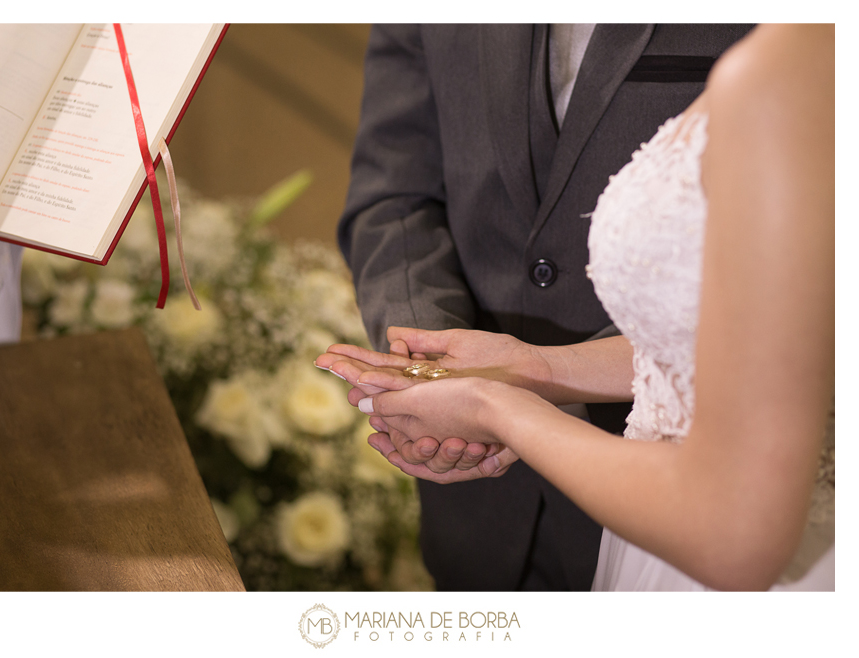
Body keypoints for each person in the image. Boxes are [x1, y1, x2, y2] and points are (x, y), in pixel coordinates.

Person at [318, 23, 834, 590]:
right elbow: (736, 332)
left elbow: (737, 538)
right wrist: (533, 371)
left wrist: (496, 407)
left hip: (689, 520)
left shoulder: (786, 71)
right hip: (497, 527)